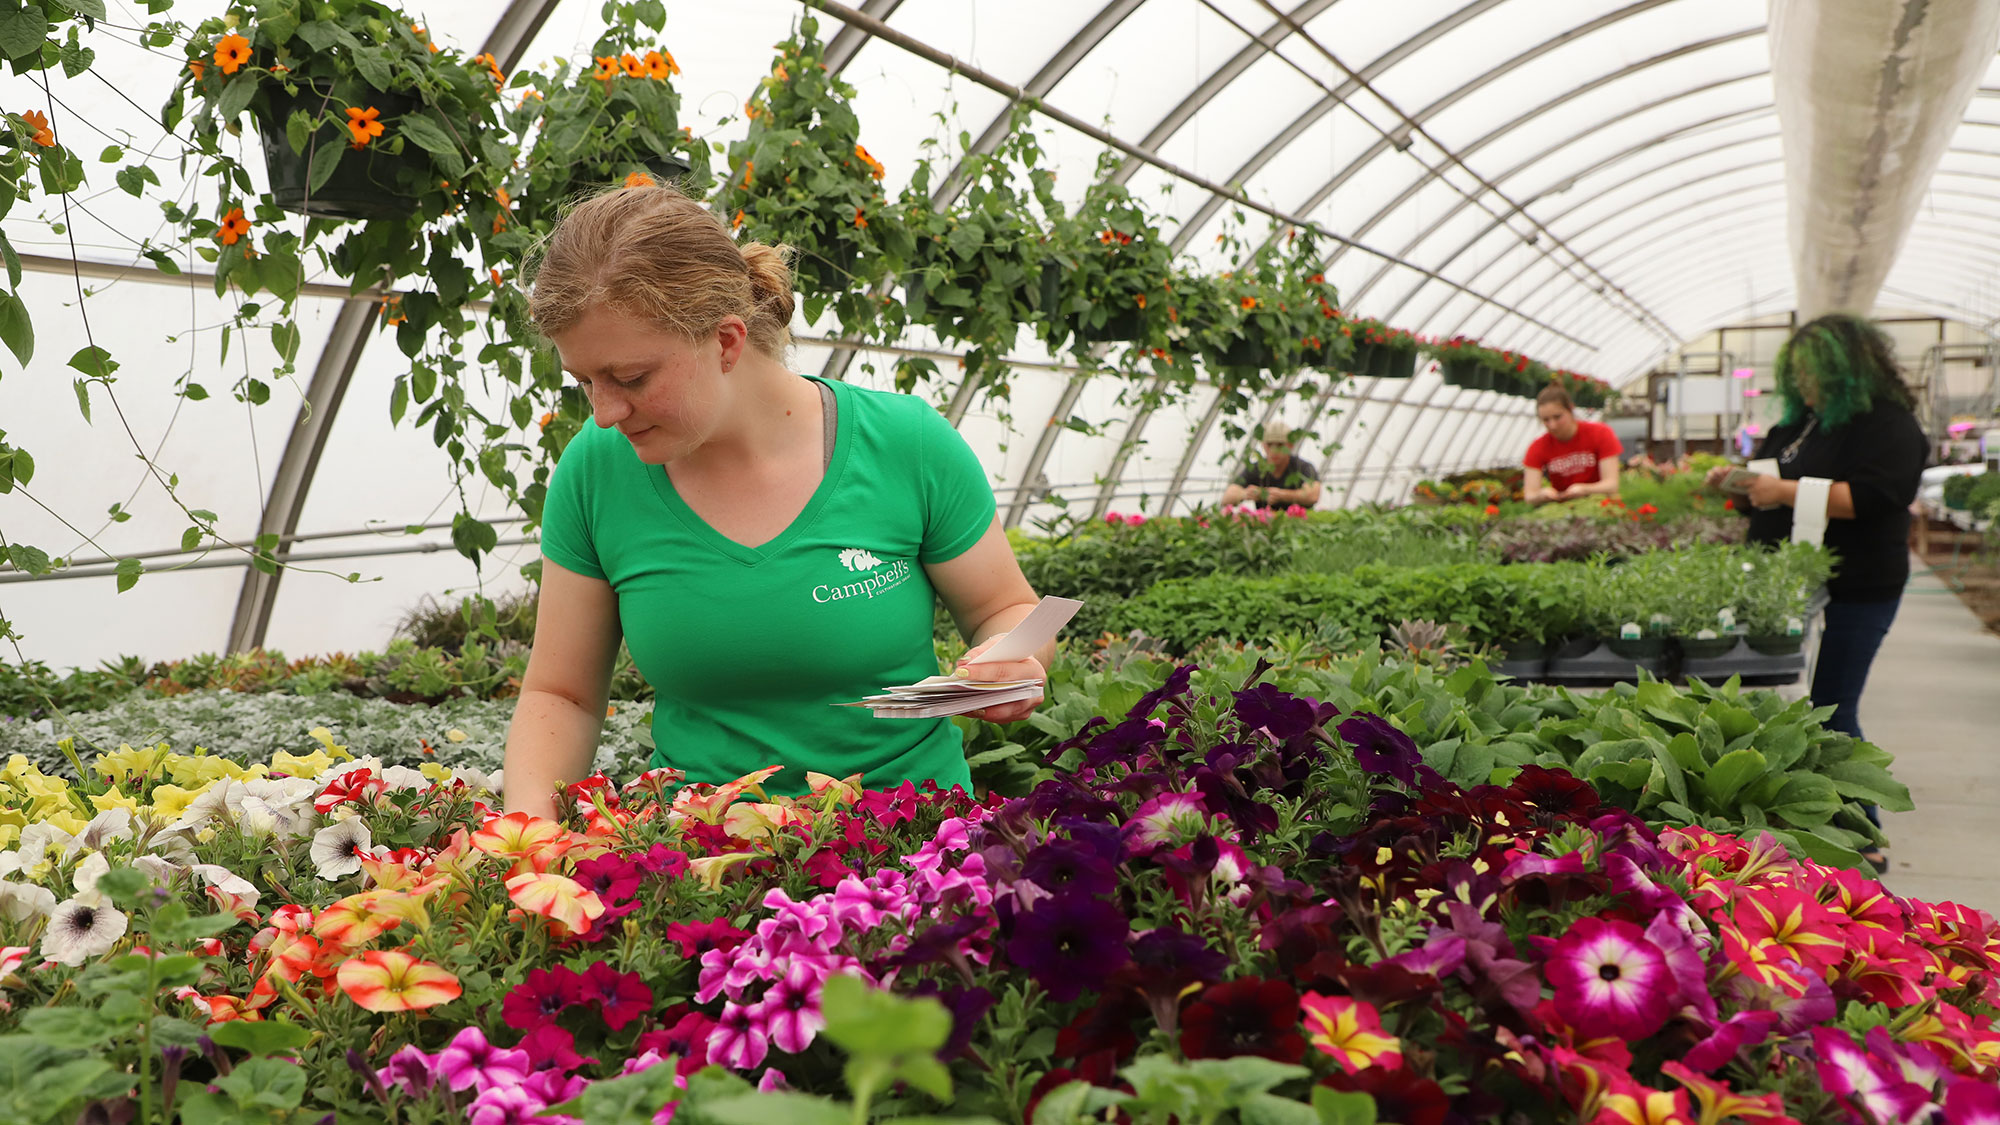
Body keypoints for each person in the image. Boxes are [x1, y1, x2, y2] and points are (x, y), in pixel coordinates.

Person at [501, 182, 1049, 819]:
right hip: (699, 867)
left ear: (727, 341)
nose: (603, 413)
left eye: (630, 378)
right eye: (585, 382)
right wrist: (528, 837)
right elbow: (562, 694)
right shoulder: (595, 474)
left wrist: (1012, 657)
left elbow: (1004, 606)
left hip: (912, 852)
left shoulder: (906, 444)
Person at [1704, 313, 1927, 871]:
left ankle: (1861, 832)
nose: (1801, 382)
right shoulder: (1802, 423)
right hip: (1789, 580)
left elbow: (1876, 497)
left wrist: (1782, 488)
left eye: (1811, 371)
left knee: (1832, 706)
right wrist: (1740, 485)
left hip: (1863, 582)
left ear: (1846, 368)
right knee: (1767, 701)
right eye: (1796, 371)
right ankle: (1789, 821)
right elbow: (1773, 487)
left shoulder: (1889, 425)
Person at [1522, 385, 1622, 503]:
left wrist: (1584, 489)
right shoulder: (1538, 446)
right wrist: (1542, 494)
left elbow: (1612, 485)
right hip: (1563, 510)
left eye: (1557, 417)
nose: (1552, 425)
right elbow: (1530, 495)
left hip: (1602, 505)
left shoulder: (1600, 433)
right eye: (1546, 420)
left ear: (1570, 409)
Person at [1222, 421, 1322, 509]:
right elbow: (1227, 498)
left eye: (1280, 445)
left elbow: (1313, 495)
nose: (1274, 450)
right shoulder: (1256, 468)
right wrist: (1245, 494)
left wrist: (1281, 495)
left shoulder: (1302, 467)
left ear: (1290, 445)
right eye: (1269, 444)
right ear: (1263, 445)